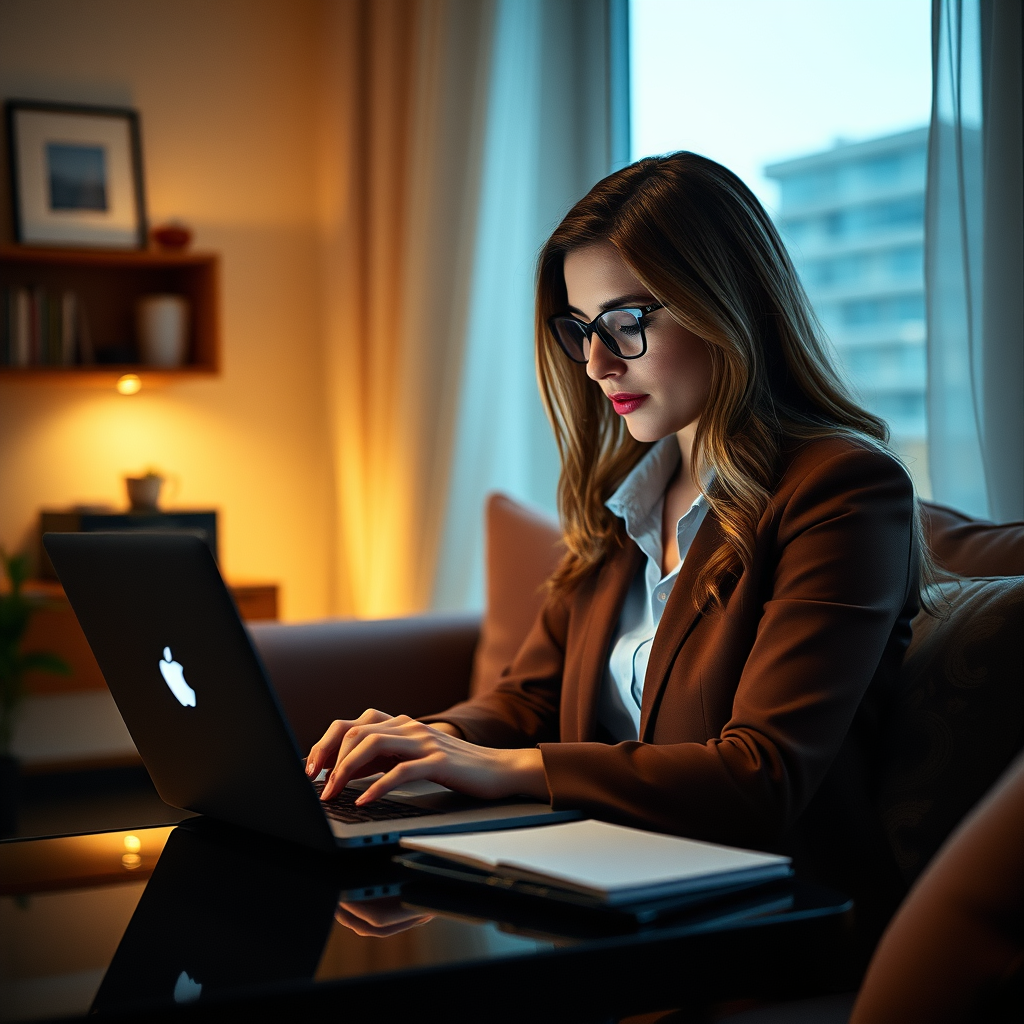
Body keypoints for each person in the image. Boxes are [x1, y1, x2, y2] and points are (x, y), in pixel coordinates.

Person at [304, 152, 923, 931]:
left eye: (626, 323)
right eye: (581, 329)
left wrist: (505, 770)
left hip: (760, 919)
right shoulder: (627, 498)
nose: (597, 363)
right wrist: (428, 741)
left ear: (725, 304)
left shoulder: (842, 490)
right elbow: (528, 698)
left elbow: (759, 778)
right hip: (601, 892)